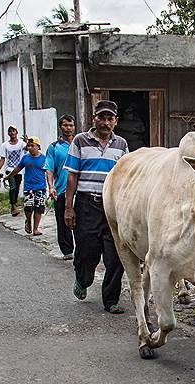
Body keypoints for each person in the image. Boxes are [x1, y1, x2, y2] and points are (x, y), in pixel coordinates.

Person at [64, 100, 129, 314]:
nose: (105, 122)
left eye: (110, 118)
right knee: (86, 251)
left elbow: (126, 178)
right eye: (102, 117)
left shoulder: (122, 145)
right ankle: (83, 279)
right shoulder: (80, 141)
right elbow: (72, 176)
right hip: (86, 204)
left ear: (115, 122)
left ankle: (111, 300)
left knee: (116, 255)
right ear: (94, 119)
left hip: (112, 207)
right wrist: (69, 207)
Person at [45, 114, 76, 259]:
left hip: (79, 190)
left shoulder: (79, 144)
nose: (68, 128)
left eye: (71, 125)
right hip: (61, 190)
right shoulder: (53, 147)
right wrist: (51, 187)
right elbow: (49, 169)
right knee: (62, 221)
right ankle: (67, 250)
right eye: (65, 125)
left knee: (81, 222)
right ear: (60, 127)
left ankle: (82, 249)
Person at [4, 137, 48, 236]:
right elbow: (17, 169)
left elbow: (49, 172)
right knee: (28, 208)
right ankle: (28, 221)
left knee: (39, 208)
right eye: (29, 146)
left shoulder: (44, 159)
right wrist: (8, 176)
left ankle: (35, 229)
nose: (30, 148)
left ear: (38, 147)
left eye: (33, 146)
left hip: (41, 187)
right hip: (29, 187)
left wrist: (52, 184)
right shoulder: (25, 158)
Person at [0, 125, 26, 217]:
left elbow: (29, 149)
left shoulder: (22, 143)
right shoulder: (5, 145)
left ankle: (14, 204)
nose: (12, 133)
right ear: (8, 133)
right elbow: (2, 158)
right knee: (12, 187)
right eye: (10, 131)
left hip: (19, 169)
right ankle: (13, 206)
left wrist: (28, 141)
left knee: (17, 188)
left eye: (13, 131)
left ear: (17, 132)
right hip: (9, 170)